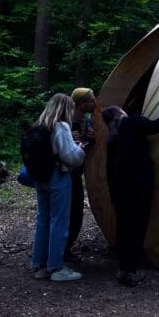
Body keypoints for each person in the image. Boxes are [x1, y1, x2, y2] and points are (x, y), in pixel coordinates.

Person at [102, 90, 159, 286]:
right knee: (138, 227)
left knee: (124, 228)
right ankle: (132, 271)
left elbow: (109, 169)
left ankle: (124, 269)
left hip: (121, 188)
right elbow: (156, 126)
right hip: (139, 184)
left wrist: (113, 195)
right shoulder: (133, 122)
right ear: (121, 113)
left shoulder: (112, 138)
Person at [31, 93, 87, 282]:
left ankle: (39, 265)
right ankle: (56, 267)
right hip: (58, 177)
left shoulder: (40, 125)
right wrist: (80, 148)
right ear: (65, 108)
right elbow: (71, 157)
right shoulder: (61, 126)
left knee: (43, 219)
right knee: (59, 221)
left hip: (41, 177)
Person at [66, 87, 97, 261]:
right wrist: (67, 137)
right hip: (63, 175)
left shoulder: (86, 121)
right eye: (92, 100)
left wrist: (91, 139)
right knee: (66, 213)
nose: (95, 103)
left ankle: (66, 249)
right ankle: (58, 252)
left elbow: (84, 147)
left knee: (76, 213)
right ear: (81, 103)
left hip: (76, 174)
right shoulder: (65, 121)